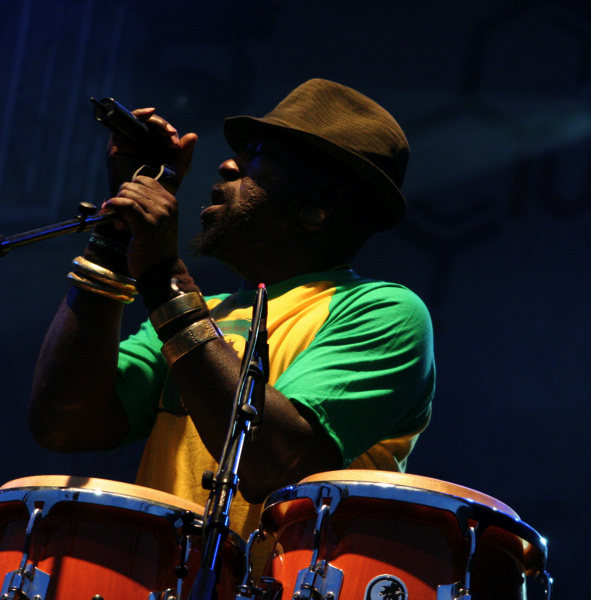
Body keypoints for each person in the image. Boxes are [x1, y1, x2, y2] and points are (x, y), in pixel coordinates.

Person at [29, 78, 436, 545]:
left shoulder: (383, 311)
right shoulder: (209, 312)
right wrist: (115, 238)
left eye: (258, 155)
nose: (225, 165)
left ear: (323, 201)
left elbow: (272, 464)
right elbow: (64, 424)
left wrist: (166, 281)